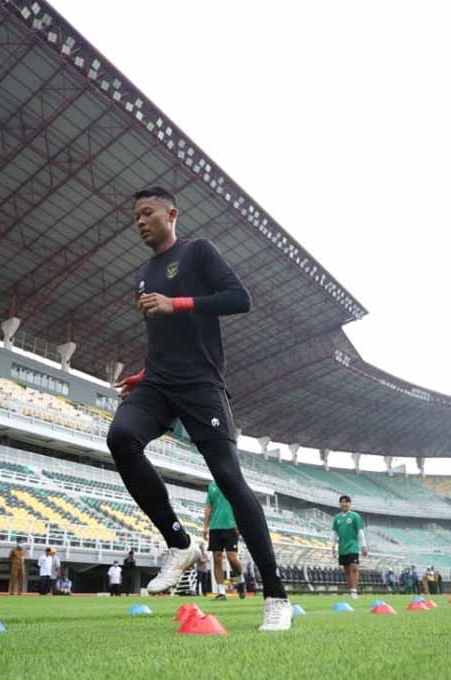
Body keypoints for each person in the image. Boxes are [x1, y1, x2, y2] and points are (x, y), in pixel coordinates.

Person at [106, 187, 290, 631]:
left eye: (146, 213)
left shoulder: (198, 252)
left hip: (201, 384)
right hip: (159, 383)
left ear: (171, 214)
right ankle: (180, 543)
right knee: (121, 438)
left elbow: (238, 298)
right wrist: (144, 372)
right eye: (135, 216)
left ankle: (276, 596)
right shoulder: (145, 273)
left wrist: (178, 303)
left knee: (228, 477)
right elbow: (164, 337)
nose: (139, 221)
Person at [203, 480, 245, 600]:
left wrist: (239, 523)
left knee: (232, 558)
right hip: (215, 527)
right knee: (217, 558)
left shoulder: (231, 482)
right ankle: (221, 592)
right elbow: (208, 507)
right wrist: (205, 527)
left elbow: (239, 504)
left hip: (231, 527)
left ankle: (241, 580)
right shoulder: (211, 486)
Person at [331, 495, 368, 599]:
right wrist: (333, 546)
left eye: (346, 502)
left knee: (354, 567)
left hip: (353, 546)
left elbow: (360, 531)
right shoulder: (337, 518)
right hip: (342, 547)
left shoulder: (355, 516)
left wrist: (363, 546)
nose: (344, 503)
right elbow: (334, 533)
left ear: (350, 504)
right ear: (340, 504)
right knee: (346, 570)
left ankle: (354, 590)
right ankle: (350, 590)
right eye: (342, 502)